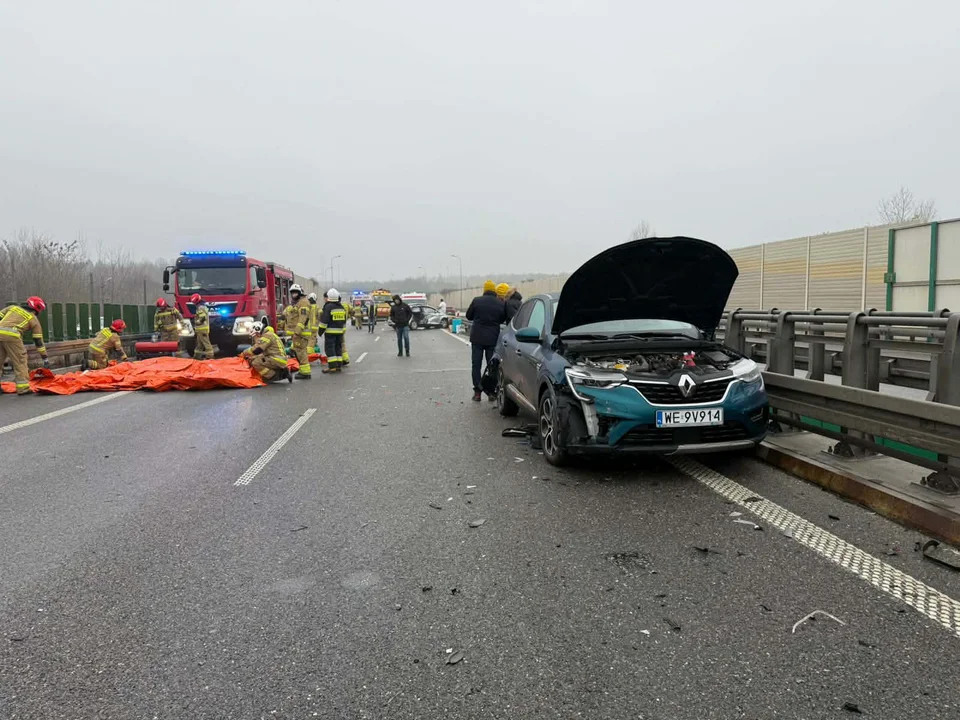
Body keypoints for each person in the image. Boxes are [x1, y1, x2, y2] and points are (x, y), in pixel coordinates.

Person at [466, 280, 506, 401]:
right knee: (492, 366)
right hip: (492, 339)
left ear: (484, 289)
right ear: (494, 290)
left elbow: (468, 316)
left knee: (476, 365)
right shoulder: (500, 303)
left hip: (477, 338)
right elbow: (502, 319)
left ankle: (477, 392)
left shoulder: (477, 301)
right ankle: (491, 392)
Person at [0, 296, 49, 395]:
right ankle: (23, 388)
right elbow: (38, 341)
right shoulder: (33, 319)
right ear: (38, 309)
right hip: (12, 336)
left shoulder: (12, 308)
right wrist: (44, 357)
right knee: (20, 360)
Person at [282, 284, 312, 378]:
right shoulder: (297, 303)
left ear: (300, 293)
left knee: (301, 352)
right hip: (297, 333)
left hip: (301, 333)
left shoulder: (303, 303)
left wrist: (297, 332)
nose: (294, 295)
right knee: (298, 351)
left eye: (295, 293)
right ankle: (303, 371)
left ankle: (305, 373)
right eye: (292, 293)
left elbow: (302, 319)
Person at [317, 288, 347, 372]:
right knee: (338, 348)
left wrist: (320, 331)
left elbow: (324, 321)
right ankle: (338, 366)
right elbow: (344, 321)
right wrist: (342, 331)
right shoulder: (341, 307)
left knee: (330, 349)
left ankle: (332, 367)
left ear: (328, 297)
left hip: (330, 332)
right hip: (340, 332)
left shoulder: (328, 307)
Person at [191, 294, 215, 359]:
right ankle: (197, 357)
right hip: (201, 329)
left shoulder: (200, 307)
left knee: (206, 343)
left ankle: (210, 357)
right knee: (199, 344)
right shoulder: (203, 306)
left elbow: (202, 317)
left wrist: (197, 322)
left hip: (202, 329)